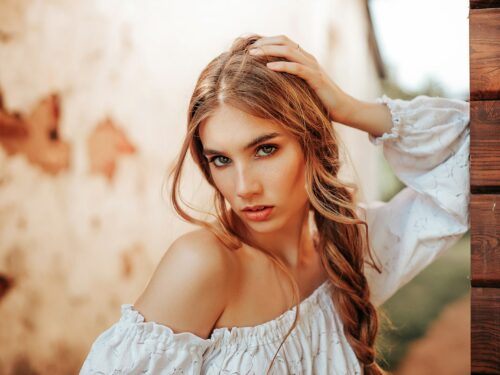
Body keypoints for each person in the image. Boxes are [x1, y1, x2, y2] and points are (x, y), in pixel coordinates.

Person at [80, 34, 470, 374]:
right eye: (221, 159)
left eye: (265, 149)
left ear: (312, 143)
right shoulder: (203, 265)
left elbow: (473, 156)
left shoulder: (349, 250)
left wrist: (348, 108)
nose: (244, 187)